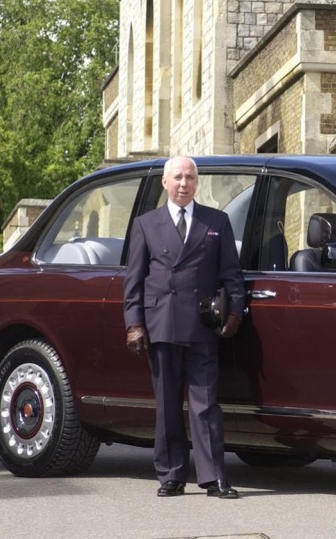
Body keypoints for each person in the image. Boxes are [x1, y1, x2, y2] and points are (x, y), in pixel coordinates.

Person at [123, 155, 246, 499]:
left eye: (190, 177)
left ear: (197, 182)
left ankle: (213, 477)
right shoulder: (146, 225)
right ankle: (171, 475)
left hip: (203, 326)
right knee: (166, 404)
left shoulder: (216, 221)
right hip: (161, 323)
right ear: (165, 182)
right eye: (177, 177)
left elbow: (231, 275)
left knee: (205, 404)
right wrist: (134, 324)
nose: (183, 183)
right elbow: (134, 282)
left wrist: (235, 313)